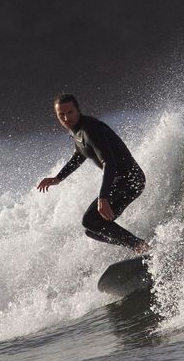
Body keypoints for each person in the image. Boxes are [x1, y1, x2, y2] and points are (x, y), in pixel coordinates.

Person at [37, 93, 150, 254]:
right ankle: (141, 248)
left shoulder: (90, 129)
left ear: (78, 110)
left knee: (90, 221)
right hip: (125, 182)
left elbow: (109, 162)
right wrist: (58, 178)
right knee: (93, 229)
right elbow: (80, 155)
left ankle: (140, 246)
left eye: (70, 112)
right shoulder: (76, 131)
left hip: (131, 180)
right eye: (61, 115)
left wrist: (103, 197)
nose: (66, 118)